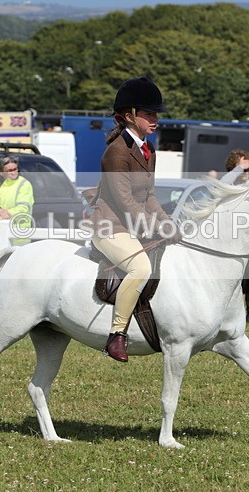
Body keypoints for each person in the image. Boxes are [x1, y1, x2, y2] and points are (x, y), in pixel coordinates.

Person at [90, 77, 181, 362]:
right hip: (110, 227)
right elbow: (125, 202)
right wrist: (158, 226)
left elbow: (150, 196)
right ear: (129, 116)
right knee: (140, 267)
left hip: (133, 227)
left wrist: (168, 222)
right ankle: (117, 335)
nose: (155, 120)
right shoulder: (116, 152)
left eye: (156, 114)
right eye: (149, 114)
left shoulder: (148, 149)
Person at [221, 149, 249, 325]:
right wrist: (239, 168)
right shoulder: (229, 184)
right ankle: (229, 315)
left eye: (248, 169)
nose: (247, 172)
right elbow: (224, 182)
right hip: (232, 241)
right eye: (244, 168)